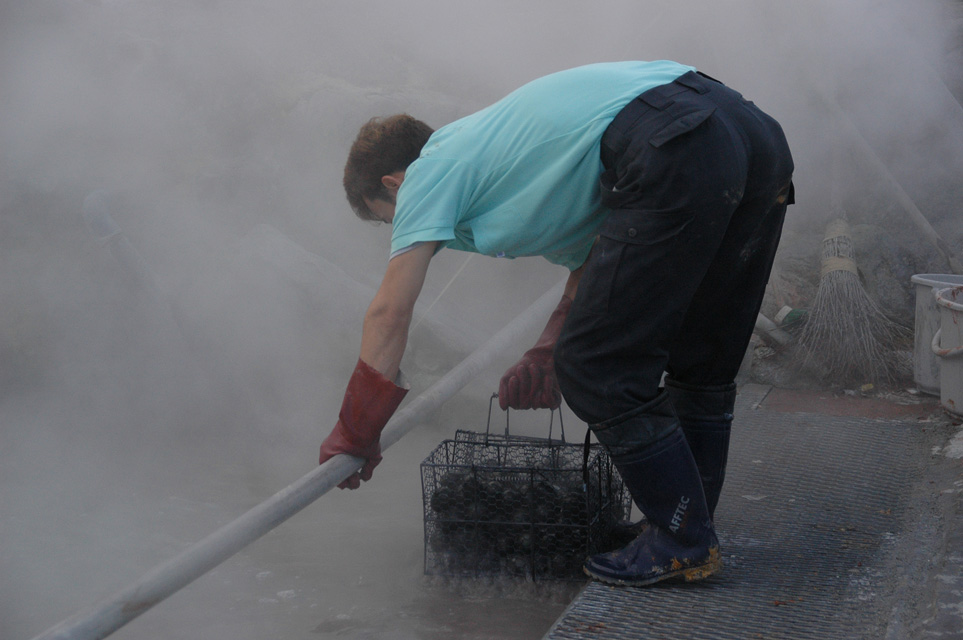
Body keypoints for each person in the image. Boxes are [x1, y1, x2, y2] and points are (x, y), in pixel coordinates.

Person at [320, 60, 794, 587]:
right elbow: (598, 258)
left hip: (672, 138)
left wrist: (355, 432)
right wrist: (546, 349)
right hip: (750, 137)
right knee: (699, 358)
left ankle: (682, 539)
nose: (404, 228)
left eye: (388, 217)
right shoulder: (508, 160)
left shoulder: (430, 167)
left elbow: (390, 309)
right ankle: (688, 529)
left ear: (394, 184)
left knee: (597, 368)